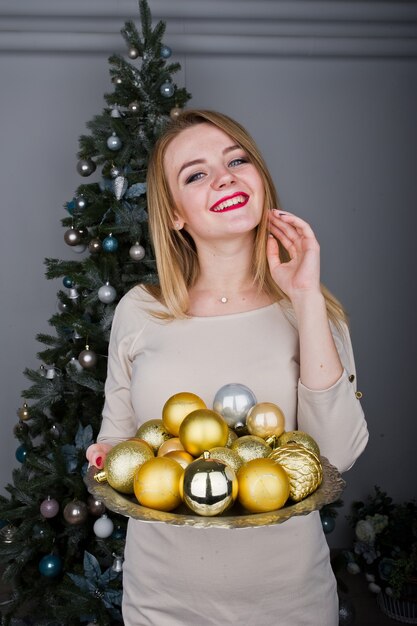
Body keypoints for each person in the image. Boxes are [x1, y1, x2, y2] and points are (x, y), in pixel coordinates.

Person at [87, 109, 368, 625]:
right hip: (161, 604)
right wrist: (105, 454)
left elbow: (337, 456)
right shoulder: (139, 310)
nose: (225, 177)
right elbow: (119, 437)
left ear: (259, 178)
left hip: (290, 604)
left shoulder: (309, 310)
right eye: (195, 173)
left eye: (237, 159)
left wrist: (304, 296)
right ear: (174, 214)